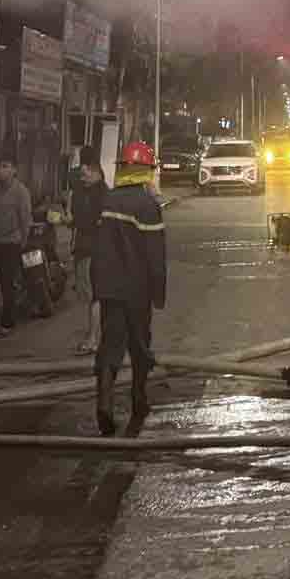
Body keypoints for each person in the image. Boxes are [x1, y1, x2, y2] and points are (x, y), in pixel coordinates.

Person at [92, 140, 167, 437]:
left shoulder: (109, 201)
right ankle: (139, 400)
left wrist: (99, 286)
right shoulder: (148, 207)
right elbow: (155, 256)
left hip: (110, 287)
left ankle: (105, 403)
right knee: (139, 345)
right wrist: (158, 292)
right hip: (137, 289)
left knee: (110, 344)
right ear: (145, 171)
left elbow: (100, 250)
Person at [0, 155, 33, 337]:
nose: (1, 170)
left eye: (6, 166)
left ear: (14, 170)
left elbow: (25, 219)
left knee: (7, 285)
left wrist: (22, 242)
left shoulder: (21, 192)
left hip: (11, 244)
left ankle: (7, 324)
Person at [70, 144, 107, 355]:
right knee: (92, 295)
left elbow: (92, 221)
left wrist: (76, 221)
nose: (81, 178)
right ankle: (94, 336)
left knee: (94, 295)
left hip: (93, 250)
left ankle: (93, 338)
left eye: (84, 174)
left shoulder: (102, 194)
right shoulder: (84, 191)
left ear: (94, 169)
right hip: (85, 248)